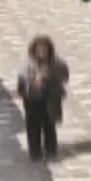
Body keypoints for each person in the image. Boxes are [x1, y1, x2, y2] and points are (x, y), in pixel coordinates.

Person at [15, 34, 69, 163]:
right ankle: (35, 151)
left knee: (49, 124)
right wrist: (33, 83)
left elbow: (64, 76)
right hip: (32, 99)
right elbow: (22, 82)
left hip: (49, 98)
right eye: (39, 50)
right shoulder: (27, 64)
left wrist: (50, 77)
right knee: (33, 125)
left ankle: (51, 150)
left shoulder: (56, 63)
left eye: (45, 50)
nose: (42, 53)